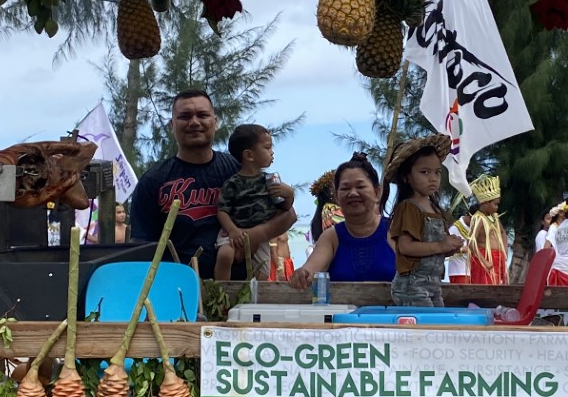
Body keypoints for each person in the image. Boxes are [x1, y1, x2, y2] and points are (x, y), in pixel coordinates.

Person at [129, 90, 295, 276]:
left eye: (202, 115)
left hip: (240, 287)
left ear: (215, 123)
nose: (194, 122)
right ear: (172, 125)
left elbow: (287, 214)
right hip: (180, 290)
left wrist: (257, 235)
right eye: (184, 116)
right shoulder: (153, 181)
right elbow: (141, 246)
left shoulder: (238, 170)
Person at [292, 154, 397, 287]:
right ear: (336, 196)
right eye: (346, 188)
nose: (353, 193)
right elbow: (311, 270)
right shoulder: (331, 237)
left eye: (360, 187)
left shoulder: (394, 229)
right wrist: (302, 275)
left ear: (376, 193)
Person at [387, 135, 462, 307]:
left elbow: (435, 247)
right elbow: (405, 247)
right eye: (424, 172)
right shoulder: (409, 207)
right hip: (413, 285)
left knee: (436, 325)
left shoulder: (435, 208)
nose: (433, 178)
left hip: (433, 283)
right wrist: (440, 246)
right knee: (424, 327)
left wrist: (450, 247)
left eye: (437, 172)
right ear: (406, 177)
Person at [213, 123, 294, 281]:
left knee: (263, 271)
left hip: (260, 236)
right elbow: (222, 210)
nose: (272, 152)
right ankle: (221, 290)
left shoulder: (270, 181)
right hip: (233, 231)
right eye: (267, 147)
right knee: (225, 255)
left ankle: (256, 300)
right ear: (249, 155)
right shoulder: (233, 183)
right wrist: (232, 230)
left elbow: (283, 209)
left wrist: (289, 195)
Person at [454, 174, 511, 285]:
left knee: (499, 290)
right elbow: (471, 241)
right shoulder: (478, 218)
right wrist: (484, 261)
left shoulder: (494, 217)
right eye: (495, 204)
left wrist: (505, 253)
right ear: (485, 203)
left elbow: (503, 233)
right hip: (484, 258)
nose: (497, 208)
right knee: (485, 290)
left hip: (498, 258)